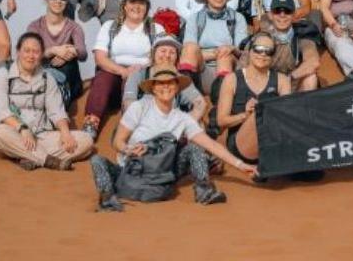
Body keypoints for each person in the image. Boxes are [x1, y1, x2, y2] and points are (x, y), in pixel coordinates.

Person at [91, 66, 258, 211]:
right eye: (160, 83)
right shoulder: (139, 107)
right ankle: (108, 199)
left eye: (170, 82)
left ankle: (205, 191)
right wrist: (129, 149)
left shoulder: (182, 118)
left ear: (177, 87)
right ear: (153, 88)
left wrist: (241, 165)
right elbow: (118, 141)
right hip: (131, 169)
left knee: (195, 148)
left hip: (164, 171)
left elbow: (211, 145)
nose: (166, 87)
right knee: (97, 160)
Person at [0, 32, 95, 170]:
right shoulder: (3, 73)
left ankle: (27, 157)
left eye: (36, 52)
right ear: (18, 52)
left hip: (41, 136)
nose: (31, 56)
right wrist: (22, 129)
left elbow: (56, 110)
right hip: (14, 132)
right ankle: (48, 161)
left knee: (86, 141)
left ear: (41, 54)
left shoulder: (47, 77)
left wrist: (65, 132)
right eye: (26, 51)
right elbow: (1, 111)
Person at [83, 0, 164, 139]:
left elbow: (162, 57)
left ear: (147, 7)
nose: (137, 7)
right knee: (102, 77)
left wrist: (139, 69)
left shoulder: (155, 29)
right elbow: (100, 58)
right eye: (133, 2)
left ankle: (131, 127)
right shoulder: (110, 27)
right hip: (114, 74)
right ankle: (91, 123)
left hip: (142, 77)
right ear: (125, 5)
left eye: (142, 3)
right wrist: (123, 71)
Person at [216, 32, 292, 165]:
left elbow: (287, 117)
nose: (263, 54)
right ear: (250, 51)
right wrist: (246, 115)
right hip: (239, 143)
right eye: (258, 49)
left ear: (273, 56)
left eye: (269, 51)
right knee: (261, 111)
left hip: (272, 139)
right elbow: (221, 121)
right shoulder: (232, 79)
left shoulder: (282, 80)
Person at [178, 0, 248, 96]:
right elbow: (189, 52)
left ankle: (221, 101)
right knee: (190, 47)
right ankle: (188, 96)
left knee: (225, 57)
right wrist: (218, 52)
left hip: (230, 72)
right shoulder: (195, 19)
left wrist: (230, 49)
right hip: (201, 72)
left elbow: (242, 52)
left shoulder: (238, 18)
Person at [26, 0, 88, 108]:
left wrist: (69, 52)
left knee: (68, 64)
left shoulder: (74, 27)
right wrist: (53, 50)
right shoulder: (35, 26)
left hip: (69, 80)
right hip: (41, 76)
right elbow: (29, 55)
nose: (58, 1)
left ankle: (57, 107)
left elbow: (83, 53)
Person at [123, 34, 207, 121]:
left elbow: (200, 103)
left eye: (172, 52)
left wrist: (185, 124)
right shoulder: (139, 75)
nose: (167, 55)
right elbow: (129, 103)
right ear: (153, 54)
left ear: (177, 58)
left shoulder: (181, 79)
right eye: (163, 51)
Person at [258, 0, 320, 91]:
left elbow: (313, 62)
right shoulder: (261, 37)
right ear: (270, 15)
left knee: (311, 78)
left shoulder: (302, 34)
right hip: (267, 89)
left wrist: (288, 79)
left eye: (287, 11)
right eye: (277, 11)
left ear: (294, 14)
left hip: (291, 87)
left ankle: (302, 106)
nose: (282, 15)